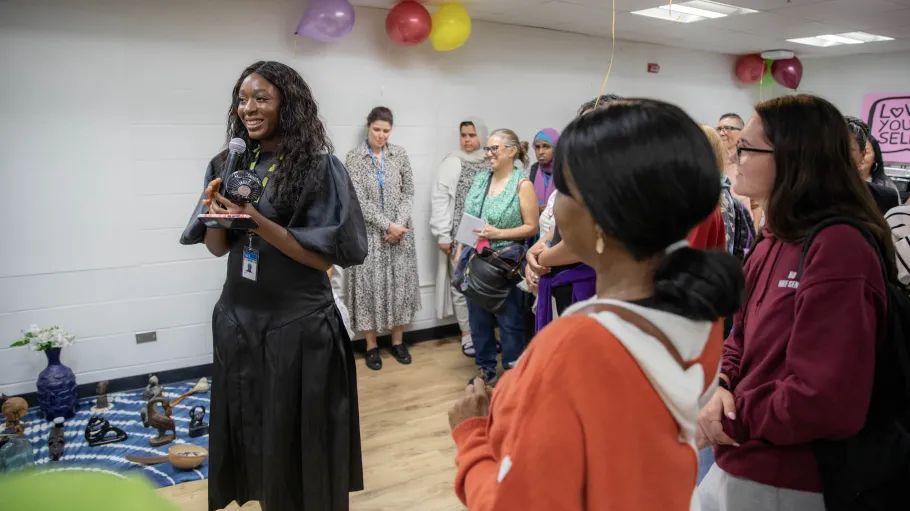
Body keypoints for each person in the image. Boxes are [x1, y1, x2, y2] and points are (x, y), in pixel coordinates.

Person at [448, 99, 744, 509]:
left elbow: (514, 503)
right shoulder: (700, 312)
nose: (555, 203)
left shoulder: (579, 345)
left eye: (565, 191)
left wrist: (473, 434)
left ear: (601, 218)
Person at [179, 61, 367, 511]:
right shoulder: (226, 164)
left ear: (289, 104)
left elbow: (322, 259)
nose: (248, 108)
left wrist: (255, 220)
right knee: (255, 442)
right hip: (238, 323)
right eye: (242, 99)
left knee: (298, 447)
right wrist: (215, 215)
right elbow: (218, 249)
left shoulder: (319, 169)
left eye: (261, 98)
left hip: (298, 328)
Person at [697, 95, 893, 510]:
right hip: (741, 460)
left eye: (745, 148)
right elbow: (740, 338)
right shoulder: (773, 239)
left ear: (791, 159)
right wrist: (721, 385)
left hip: (792, 478)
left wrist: (731, 415)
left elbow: (823, 399)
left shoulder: (838, 246)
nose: (733, 157)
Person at [459, 128, 538, 385]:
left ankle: (513, 375)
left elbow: (532, 227)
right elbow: (469, 217)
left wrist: (498, 233)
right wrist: (461, 249)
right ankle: (486, 369)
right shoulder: (481, 180)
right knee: (478, 320)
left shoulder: (522, 185)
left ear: (512, 151)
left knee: (510, 321)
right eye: (488, 148)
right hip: (477, 259)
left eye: (494, 148)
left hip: (506, 264)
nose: (489, 153)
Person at [345, 106, 421, 371]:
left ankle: (398, 342)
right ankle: (371, 345)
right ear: (368, 127)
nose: (381, 135)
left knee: (399, 286)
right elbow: (357, 199)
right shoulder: (354, 158)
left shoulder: (400, 154)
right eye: (377, 129)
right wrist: (387, 224)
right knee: (368, 289)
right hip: (369, 234)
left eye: (386, 131)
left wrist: (398, 225)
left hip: (400, 234)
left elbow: (408, 192)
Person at [429, 117, 490, 357]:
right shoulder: (453, 162)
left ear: (481, 136)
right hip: (459, 236)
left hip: (488, 236)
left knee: (485, 285)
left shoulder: (490, 160)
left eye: (472, 135)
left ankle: (483, 334)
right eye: (463, 135)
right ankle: (467, 333)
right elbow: (440, 199)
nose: (467, 140)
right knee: (462, 284)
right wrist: (443, 234)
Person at [846, 116, 900, 214]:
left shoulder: (885, 196)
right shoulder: (815, 193)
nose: (839, 154)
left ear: (862, 154)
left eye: (849, 149)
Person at [528, 128, 560, 212]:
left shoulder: (565, 169)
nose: (541, 152)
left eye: (546, 146)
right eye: (537, 147)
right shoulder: (534, 169)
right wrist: (536, 209)